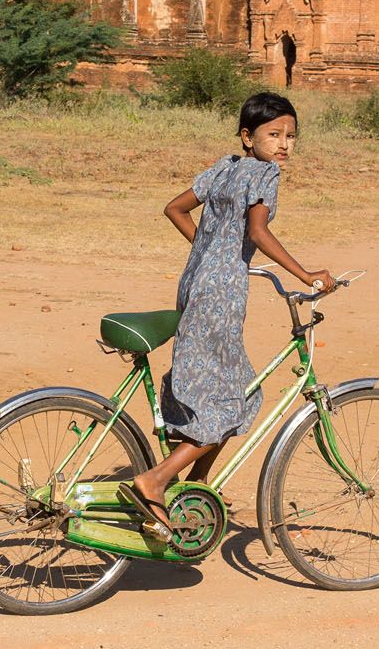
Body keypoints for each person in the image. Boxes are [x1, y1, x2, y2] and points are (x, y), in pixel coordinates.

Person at [120, 92, 336, 541]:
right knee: (226, 402)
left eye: (291, 136)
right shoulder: (264, 173)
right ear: (247, 136)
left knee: (228, 391)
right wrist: (305, 273)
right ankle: (156, 482)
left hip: (195, 285)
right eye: (273, 135)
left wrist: (214, 252)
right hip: (219, 297)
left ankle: (197, 489)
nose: (284, 145)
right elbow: (258, 231)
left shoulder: (224, 167)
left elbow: (174, 208)